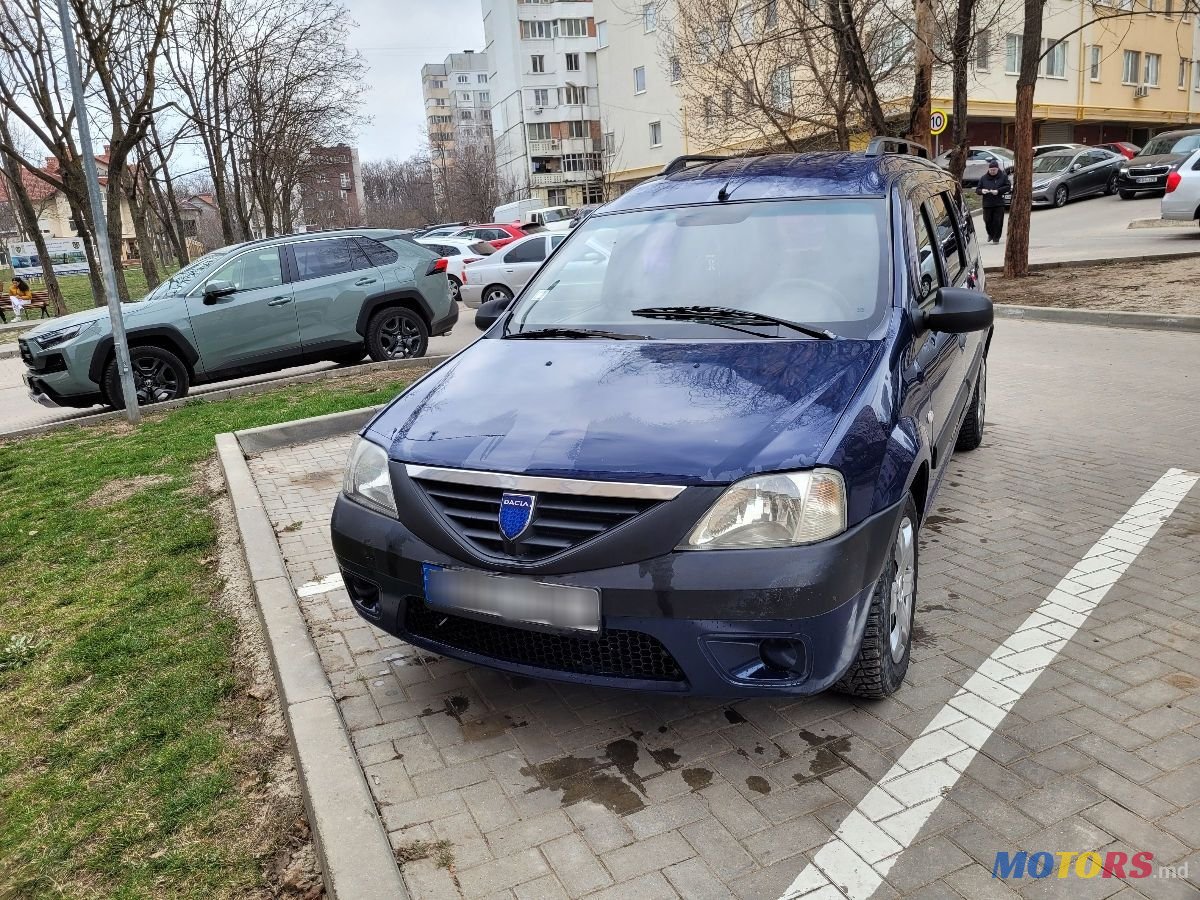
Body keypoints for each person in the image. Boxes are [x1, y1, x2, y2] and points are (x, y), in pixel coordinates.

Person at [976, 160, 1011, 244]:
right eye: (991, 170)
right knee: (987, 220)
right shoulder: (983, 178)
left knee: (998, 221)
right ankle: (990, 234)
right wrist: (982, 191)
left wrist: (998, 191)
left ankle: (996, 238)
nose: (992, 172)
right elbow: (977, 189)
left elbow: (1008, 187)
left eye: (994, 170)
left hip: (999, 203)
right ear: (988, 169)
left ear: (997, 169)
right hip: (987, 203)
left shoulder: (1003, 176)